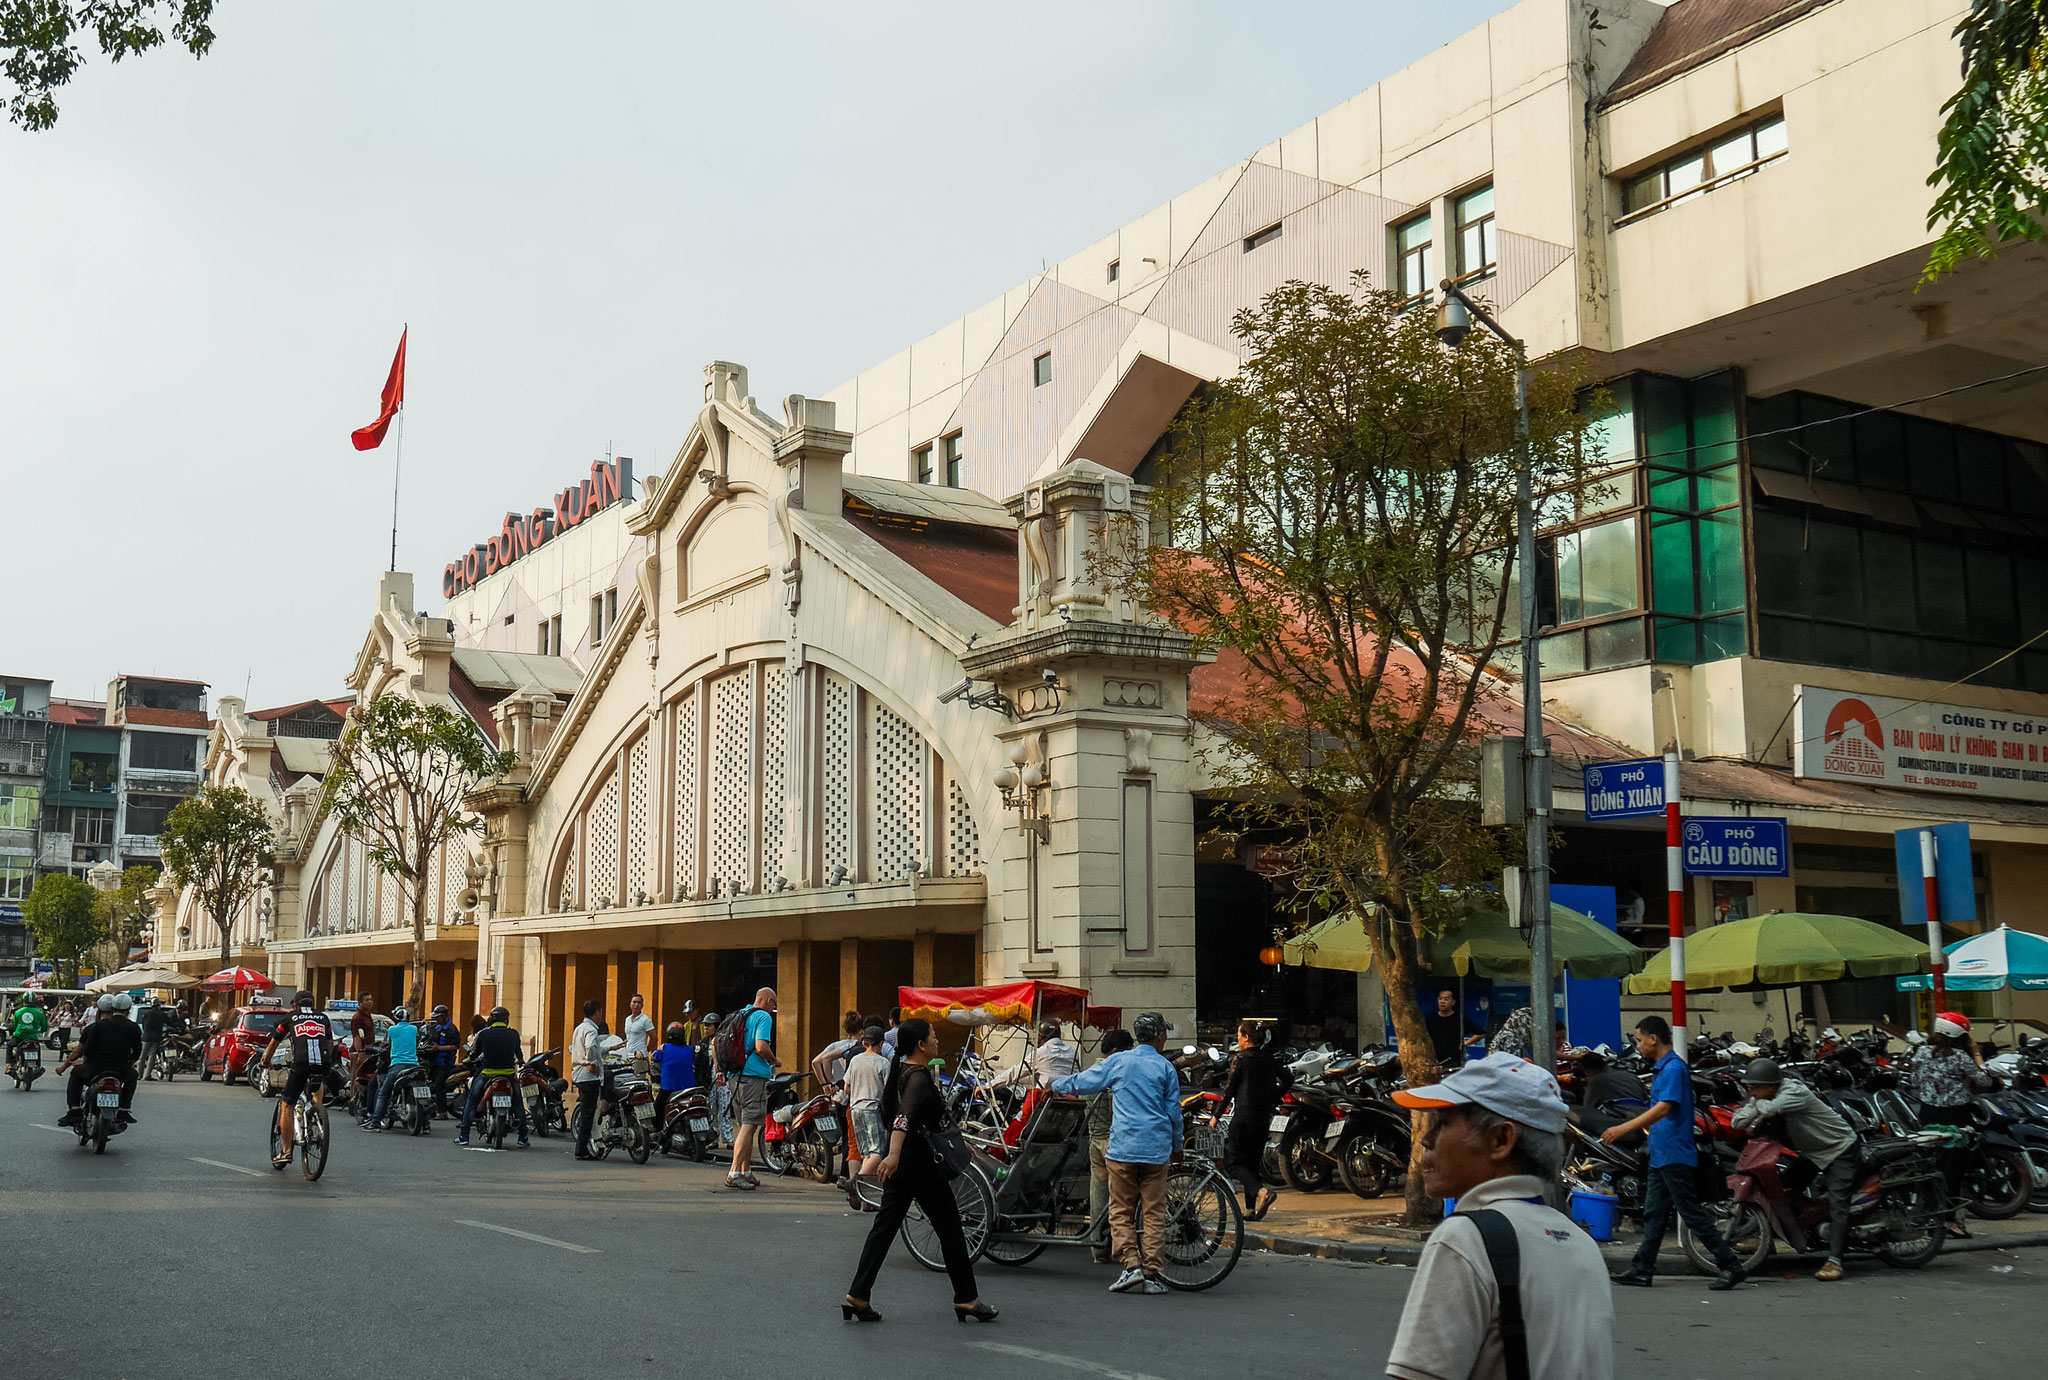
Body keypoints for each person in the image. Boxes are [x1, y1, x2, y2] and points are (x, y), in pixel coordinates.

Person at [1386, 1051, 1615, 1380]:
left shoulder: (1465, 1239)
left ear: (1501, 1139)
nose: (1427, 1139)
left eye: (1443, 1122)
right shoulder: (1582, 1245)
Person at [842, 1017, 997, 1324]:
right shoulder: (918, 1077)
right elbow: (903, 1117)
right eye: (934, 1037)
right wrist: (894, 1155)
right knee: (951, 1229)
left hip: (907, 1164)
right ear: (921, 1045)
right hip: (920, 1165)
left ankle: (858, 1295)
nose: (938, 1041)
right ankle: (966, 1299)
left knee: (884, 1229)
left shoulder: (903, 1071)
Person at [1605, 1016, 1746, 1289]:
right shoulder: (1663, 1068)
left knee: (1691, 1213)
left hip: (1674, 1154)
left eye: (1639, 1039)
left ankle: (1730, 1264)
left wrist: (1624, 1128)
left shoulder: (1672, 1069)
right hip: (1661, 1154)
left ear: (1652, 1038)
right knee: (1654, 1214)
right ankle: (1642, 1269)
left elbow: (1664, 1108)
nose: (1638, 1045)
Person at [1051, 1011, 1182, 1295]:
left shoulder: (1119, 1061)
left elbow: (1084, 1082)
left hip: (1123, 1148)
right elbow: (1174, 1113)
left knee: (1121, 1210)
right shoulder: (1165, 1068)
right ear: (1160, 1036)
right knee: (1154, 1213)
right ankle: (1152, 1273)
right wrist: (1178, 1145)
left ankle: (1131, 1266)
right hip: (1156, 1151)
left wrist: (1055, 1084)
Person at [1730, 1057, 1858, 1281]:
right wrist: (1753, 1105)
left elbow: (1769, 1109)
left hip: (1839, 1147)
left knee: (1839, 1203)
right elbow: (1737, 1122)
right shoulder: (1762, 1096)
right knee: (1781, 1191)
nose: (1751, 1092)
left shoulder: (1794, 1092)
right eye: (1749, 1087)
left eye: (1755, 1087)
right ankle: (1767, 1240)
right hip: (1813, 1153)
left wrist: (1755, 1106)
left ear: (1771, 1086)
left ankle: (1835, 1260)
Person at [261, 991, 337, 1165]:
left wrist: (266, 1061)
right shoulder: (323, 1018)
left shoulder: (290, 1017)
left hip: (300, 1064)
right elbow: (330, 1043)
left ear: (295, 1004)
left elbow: (274, 1042)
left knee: (287, 1103)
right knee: (317, 1088)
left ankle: (286, 1151)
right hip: (322, 1064)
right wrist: (325, 1062)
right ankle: (315, 1113)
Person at [1083, 1029, 1136, 1262]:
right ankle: (1123, 1249)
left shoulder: (1090, 1073)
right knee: (1122, 1199)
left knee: (1099, 1196)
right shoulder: (1113, 1074)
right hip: (1112, 1143)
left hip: (1095, 1141)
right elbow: (1117, 1111)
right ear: (1116, 1052)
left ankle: (1099, 1250)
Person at [1221, 1020, 1282, 1221]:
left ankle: (1261, 1192)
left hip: (1243, 1118)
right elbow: (1288, 1079)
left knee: (1233, 1163)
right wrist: (1274, 1095)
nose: (1237, 1039)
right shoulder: (1269, 1058)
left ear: (1247, 1037)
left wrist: (1216, 1116)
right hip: (1263, 1118)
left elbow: (1229, 1090)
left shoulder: (1241, 1059)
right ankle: (1250, 1210)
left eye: (1239, 1035)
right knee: (1252, 1164)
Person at [56, 993, 143, 1128]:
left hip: (95, 1068)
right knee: (133, 1075)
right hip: (120, 1069)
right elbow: (137, 1051)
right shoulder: (133, 1027)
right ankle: (124, 1109)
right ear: (129, 1009)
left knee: (76, 1075)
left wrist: (85, 1062)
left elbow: (88, 1049)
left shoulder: (98, 1026)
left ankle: (75, 1110)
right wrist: (128, 1063)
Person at [457, 1006, 530, 1148]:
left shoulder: (484, 1034)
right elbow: (519, 1055)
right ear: (506, 1020)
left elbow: (474, 1055)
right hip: (508, 1075)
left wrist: (467, 1061)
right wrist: (520, 1061)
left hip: (487, 1074)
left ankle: (464, 1135)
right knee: (518, 1103)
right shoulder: (513, 1034)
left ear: (491, 1019)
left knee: (472, 1101)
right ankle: (523, 1136)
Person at [728, 986, 778, 1190]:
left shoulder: (739, 1014)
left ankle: (746, 1170)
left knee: (744, 1125)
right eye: (774, 1004)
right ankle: (734, 1173)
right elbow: (760, 1047)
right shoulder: (763, 1017)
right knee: (749, 1125)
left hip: (735, 1076)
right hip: (752, 1077)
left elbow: (716, 1044)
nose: (773, 1008)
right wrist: (775, 1060)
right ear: (766, 1000)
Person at [837, 1026, 892, 1209]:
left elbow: (847, 1088)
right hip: (872, 1109)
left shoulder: (855, 1061)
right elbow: (888, 1092)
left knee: (864, 1152)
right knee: (877, 1152)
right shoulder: (883, 1063)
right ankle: (856, 1183)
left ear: (864, 1042)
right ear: (881, 1044)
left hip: (854, 1109)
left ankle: (867, 1200)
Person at [1912, 1011, 1994, 1122]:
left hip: (1928, 1110)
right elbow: (1985, 1081)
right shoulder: (1959, 1055)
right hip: (1955, 1112)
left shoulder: (1922, 1051)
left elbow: (1915, 1081)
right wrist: (1976, 1053)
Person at [1571, 1049, 1650, 1139]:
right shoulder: (1631, 1075)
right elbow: (1646, 1099)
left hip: (1621, 1125)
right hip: (1643, 1119)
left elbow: (1588, 1108)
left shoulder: (1596, 1080)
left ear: (1587, 1070)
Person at [368, 1006, 421, 1130]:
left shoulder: (392, 1029)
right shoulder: (414, 1029)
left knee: (383, 1093)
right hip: (415, 1065)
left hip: (398, 1065)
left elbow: (390, 1044)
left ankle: (375, 1123)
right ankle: (426, 1125)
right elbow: (416, 1042)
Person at [989, 1021, 1079, 1089]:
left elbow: (1015, 1073)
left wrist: (989, 1086)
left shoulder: (1041, 1053)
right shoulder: (1073, 1052)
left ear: (1040, 1037)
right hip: (1072, 1102)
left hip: (1046, 1103)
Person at [571, 998, 607, 1160]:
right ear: (597, 1012)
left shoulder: (580, 1028)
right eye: (600, 1012)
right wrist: (590, 1063)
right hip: (589, 1077)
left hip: (579, 1074)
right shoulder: (592, 1030)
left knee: (586, 1112)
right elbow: (591, 1046)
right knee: (588, 1114)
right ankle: (581, 1150)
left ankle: (583, 1148)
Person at [1425, 990, 1485, 1069]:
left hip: (1453, 1062)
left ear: (1453, 1002)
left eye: (1446, 999)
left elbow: (1481, 1033)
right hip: (1433, 1061)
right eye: (1440, 999)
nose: (1442, 1002)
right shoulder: (1429, 1019)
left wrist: (1465, 1044)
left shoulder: (1459, 1019)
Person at [811, 1010, 867, 1090]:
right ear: (861, 1031)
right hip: (854, 1089)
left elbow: (815, 1062)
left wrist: (826, 1084)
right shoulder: (862, 1047)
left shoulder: (835, 1046)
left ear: (846, 1031)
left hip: (837, 1090)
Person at [655, 1021, 699, 1121]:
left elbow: (653, 1057)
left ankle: (658, 1129)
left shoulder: (665, 1048)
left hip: (669, 1088)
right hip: (689, 1088)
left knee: (657, 1109)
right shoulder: (689, 1049)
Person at [421, 1005, 461, 1115]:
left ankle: (442, 1111)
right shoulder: (438, 1027)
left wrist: (439, 1048)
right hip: (435, 1062)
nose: (436, 1020)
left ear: (444, 1016)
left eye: (437, 1017)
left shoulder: (452, 1029)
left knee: (439, 1085)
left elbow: (455, 1046)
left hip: (446, 1063)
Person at [7, 996, 49, 1074]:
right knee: (37, 1048)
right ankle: (38, 1065)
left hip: (19, 1037)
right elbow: (44, 1027)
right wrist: (39, 1031)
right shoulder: (39, 1012)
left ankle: (11, 1064)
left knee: (9, 1045)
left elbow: (15, 1025)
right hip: (33, 1037)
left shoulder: (18, 1012)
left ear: (24, 1001)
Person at [621, 993, 657, 1083]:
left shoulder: (645, 1020)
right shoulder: (627, 1019)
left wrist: (645, 1050)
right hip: (627, 1057)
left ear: (642, 1005)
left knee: (638, 1083)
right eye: (634, 1002)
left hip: (639, 1059)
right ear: (630, 1004)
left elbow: (654, 1038)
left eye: (639, 1003)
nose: (636, 1004)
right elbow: (629, 1037)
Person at [137, 999, 170, 1079]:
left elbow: (144, 1025)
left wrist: (145, 1033)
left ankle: (138, 1075)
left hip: (146, 1037)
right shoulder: (162, 1014)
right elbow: (170, 1023)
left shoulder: (147, 1014)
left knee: (142, 1057)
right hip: (156, 1038)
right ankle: (147, 1075)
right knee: (152, 1056)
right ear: (159, 1005)